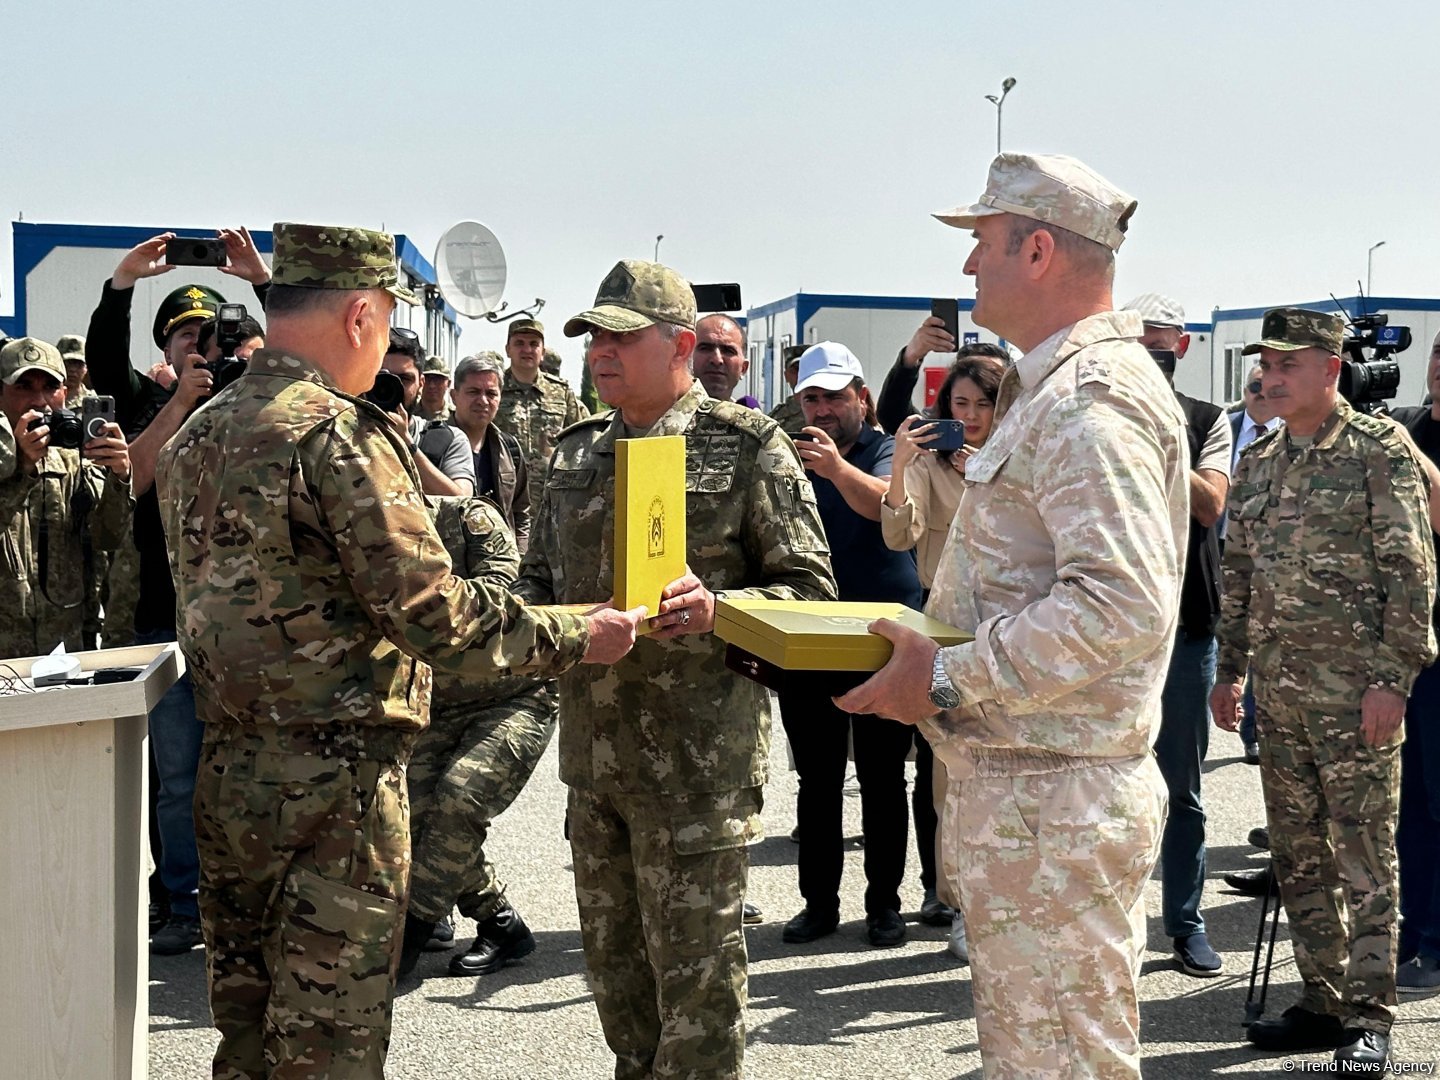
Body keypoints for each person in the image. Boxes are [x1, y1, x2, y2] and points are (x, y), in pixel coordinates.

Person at [154, 221, 644, 1079]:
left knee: (247, 1034)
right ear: (360, 316)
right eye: (383, 323)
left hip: (230, 779)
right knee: (329, 1047)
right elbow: (435, 617)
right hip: (335, 792)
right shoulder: (338, 434)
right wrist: (582, 633)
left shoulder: (198, 433)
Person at [837, 152, 1186, 1079]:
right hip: (1035, 792)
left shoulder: (1089, 397)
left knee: (1066, 1060)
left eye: (983, 243)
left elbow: (1121, 602)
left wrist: (944, 674)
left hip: (1057, 799)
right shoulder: (1056, 387)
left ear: (1037, 251)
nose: (967, 268)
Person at [514, 258, 835, 1079]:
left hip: (699, 769)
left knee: (697, 1001)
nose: (600, 354)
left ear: (682, 345)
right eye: (593, 339)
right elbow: (536, 585)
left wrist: (718, 608)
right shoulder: (576, 451)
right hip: (598, 769)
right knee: (620, 991)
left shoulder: (748, 444)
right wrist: (552, 628)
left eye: (622, 337)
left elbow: (810, 590)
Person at [1210, 308, 1437, 1066]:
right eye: (1265, 366)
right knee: (1301, 858)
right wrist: (1230, 669)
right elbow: (1237, 573)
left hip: (1358, 699)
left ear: (1331, 369)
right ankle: (1321, 1000)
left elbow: (1411, 573)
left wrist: (1393, 681)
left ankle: (1370, 1016)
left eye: (1288, 365)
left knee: (1366, 860)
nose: (1271, 378)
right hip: (1279, 698)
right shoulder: (1261, 459)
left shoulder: (1380, 452)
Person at [83, 230, 273, 953]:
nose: (202, 347)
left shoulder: (260, 401)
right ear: (164, 347)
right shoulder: (141, 401)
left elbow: (317, 362)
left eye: (216, 335)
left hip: (247, 626)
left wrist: (261, 281)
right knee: (176, 781)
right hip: (159, 621)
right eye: (186, 336)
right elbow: (129, 475)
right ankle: (181, 902)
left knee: (251, 774)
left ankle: (244, 900)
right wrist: (122, 285)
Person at [776, 341, 936, 953]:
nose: (821, 410)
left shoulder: (890, 450)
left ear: (861, 398)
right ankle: (819, 905)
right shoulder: (789, 457)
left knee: (882, 779)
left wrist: (835, 469)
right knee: (817, 782)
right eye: (810, 398)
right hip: (810, 642)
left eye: (834, 397)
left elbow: (887, 512)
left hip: (882, 642)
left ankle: (884, 906)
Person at [399, 494, 559, 979]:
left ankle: (410, 932)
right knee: (415, 815)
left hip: (514, 694)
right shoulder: (369, 532)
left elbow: (495, 600)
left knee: (459, 799)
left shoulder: (469, 519)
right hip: (438, 706)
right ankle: (501, 923)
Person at [1122, 291, 1233, 979]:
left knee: (1182, 791)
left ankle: (1185, 924)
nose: (1152, 360)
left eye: (1162, 349)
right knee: (1110, 783)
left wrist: (1164, 438)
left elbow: (1211, 504)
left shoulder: (1207, 419)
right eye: (1141, 346)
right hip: (1115, 629)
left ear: (1184, 349)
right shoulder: (1101, 413)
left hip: (1188, 629)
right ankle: (1120, 927)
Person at [880, 349, 1004, 960]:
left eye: (984, 403)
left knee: (1016, 765)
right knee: (948, 774)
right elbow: (899, 535)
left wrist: (989, 474)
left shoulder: (1021, 458)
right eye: (961, 404)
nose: (973, 415)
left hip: (1011, 625)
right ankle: (956, 904)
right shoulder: (929, 465)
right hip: (946, 624)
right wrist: (903, 464)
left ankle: (1008, 901)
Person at [0, 337, 132, 659]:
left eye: (51, 386)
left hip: (64, 651)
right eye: (24, 387)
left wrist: (120, 476)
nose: (40, 401)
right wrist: (23, 468)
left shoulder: (75, 460)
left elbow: (109, 536)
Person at [1391, 334, 1440, 992]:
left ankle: (1436, 941)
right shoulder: (1407, 428)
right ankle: (1411, 930)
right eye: (1437, 357)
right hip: (1403, 646)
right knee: (1409, 806)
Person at [495, 317, 589, 512]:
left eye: (533, 344)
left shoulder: (561, 392)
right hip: (504, 498)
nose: (527, 350)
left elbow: (583, 438)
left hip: (554, 499)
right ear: (508, 350)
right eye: (519, 343)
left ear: (543, 352)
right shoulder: (493, 389)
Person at [381, 327, 476, 495]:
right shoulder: (340, 432)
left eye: (404, 379)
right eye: (383, 377)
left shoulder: (450, 440)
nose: (392, 386)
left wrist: (406, 443)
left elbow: (461, 502)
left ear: (420, 383)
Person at [449, 353, 530, 551]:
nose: (483, 401)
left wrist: (520, 557)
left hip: (501, 568)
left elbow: (521, 513)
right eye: (473, 392)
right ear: (454, 396)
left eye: (491, 393)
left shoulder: (510, 450)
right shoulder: (432, 444)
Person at [694, 314, 759, 408]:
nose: (717, 360)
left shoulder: (749, 420)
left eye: (728, 351)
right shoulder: (666, 414)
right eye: (705, 348)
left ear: (743, 368)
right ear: (685, 356)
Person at [767, 345, 807, 430]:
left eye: (805, 369)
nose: (800, 375)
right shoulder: (777, 416)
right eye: (795, 370)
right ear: (786, 376)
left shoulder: (825, 412)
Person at [56, 334, 94, 406]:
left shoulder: (94, 401)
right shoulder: (47, 398)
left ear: (86, 368)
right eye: (67, 363)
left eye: (78, 364)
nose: (72, 369)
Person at [417, 353, 453, 421]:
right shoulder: (407, 413)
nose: (432, 385)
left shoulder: (456, 417)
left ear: (448, 383)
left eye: (438, 379)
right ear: (420, 381)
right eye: (427, 379)